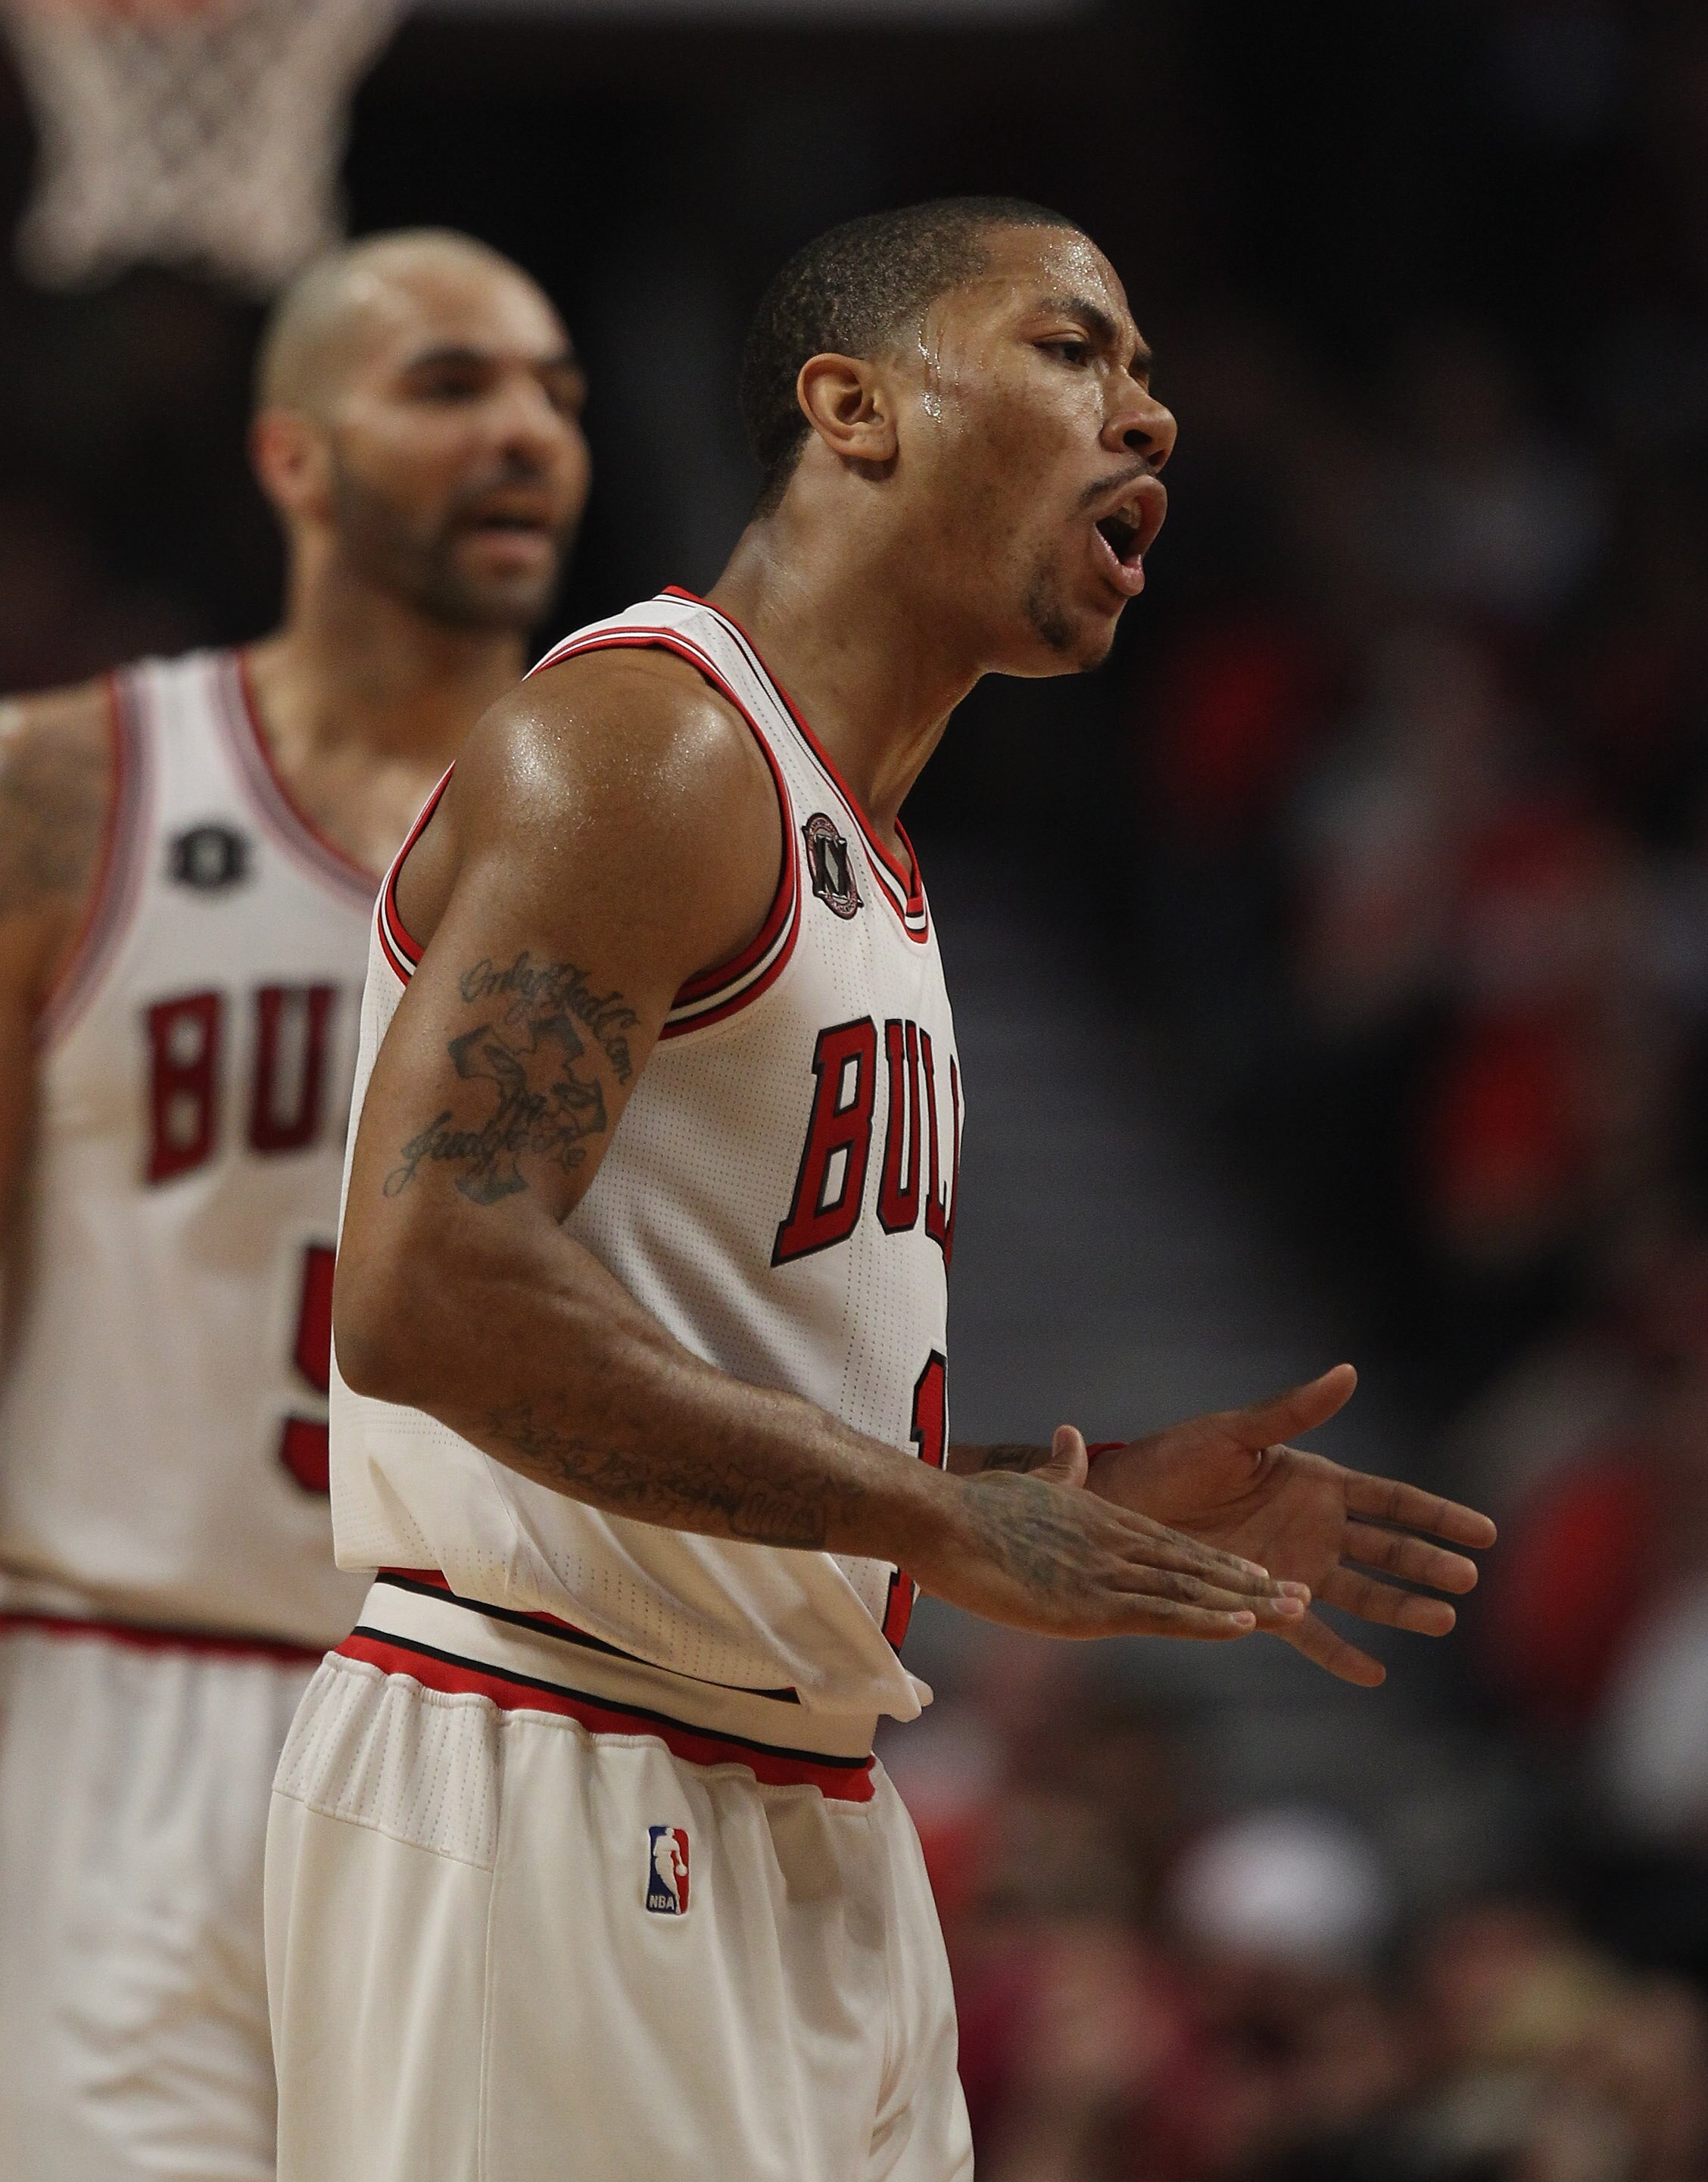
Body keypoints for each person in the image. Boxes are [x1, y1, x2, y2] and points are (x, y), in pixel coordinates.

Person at [270, 197, 1495, 2182]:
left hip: (793, 1796)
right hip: (557, 1763)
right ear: (852, 407)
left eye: (1157, 374)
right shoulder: (649, 746)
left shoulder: (877, 866)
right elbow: (426, 1286)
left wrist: (1063, 1493)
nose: (1152, 416)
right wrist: (945, 1513)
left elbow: (706, 1398)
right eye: (1075, 349)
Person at [0, 227, 590, 2180]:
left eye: (557, 398)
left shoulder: (663, 859)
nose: (521, 433)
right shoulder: (67, 793)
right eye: (450, 386)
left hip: (500, 1756)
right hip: (121, 1710)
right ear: (293, 458)